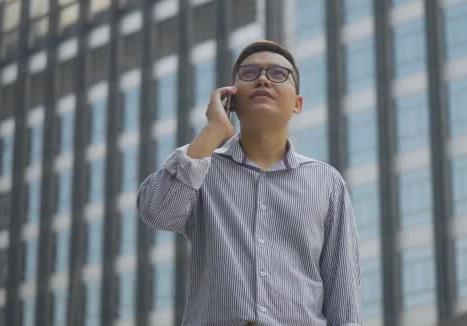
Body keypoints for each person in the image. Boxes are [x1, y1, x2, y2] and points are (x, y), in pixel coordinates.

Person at [137, 40, 361, 325]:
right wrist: (212, 131)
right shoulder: (200, 167)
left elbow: (343, 292)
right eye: (249, 73)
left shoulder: (327, 182)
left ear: (297, 103)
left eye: (278, 74)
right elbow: (157, 212)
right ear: (230, 97)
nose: (263, 79)